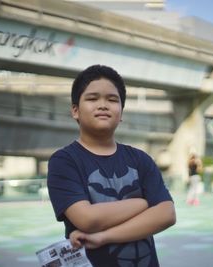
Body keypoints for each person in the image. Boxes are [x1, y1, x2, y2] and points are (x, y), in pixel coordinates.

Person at [47, 65, 176, 266]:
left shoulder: (140, 159)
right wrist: (142, 203)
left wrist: (103, 236)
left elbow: (167, 214)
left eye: (112, 99)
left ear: (121, 112)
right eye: (92, 98)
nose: (103, 105)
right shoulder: (64, 161)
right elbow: (87, 219)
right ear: (75, 110)